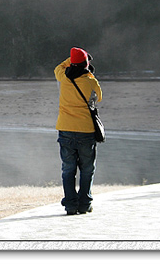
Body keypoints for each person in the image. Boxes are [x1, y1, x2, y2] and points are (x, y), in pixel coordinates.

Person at [54, 47, 103, 215]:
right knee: (87, 169)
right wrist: (87, 71)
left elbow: (58, 68)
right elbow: (98, 97)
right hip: (85, 131)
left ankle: (70, 205)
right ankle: (84, 204)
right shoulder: (91, 81)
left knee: (68, 169)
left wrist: (70, 60)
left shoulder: (64, 79)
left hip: (65, 129)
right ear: (86, 64)